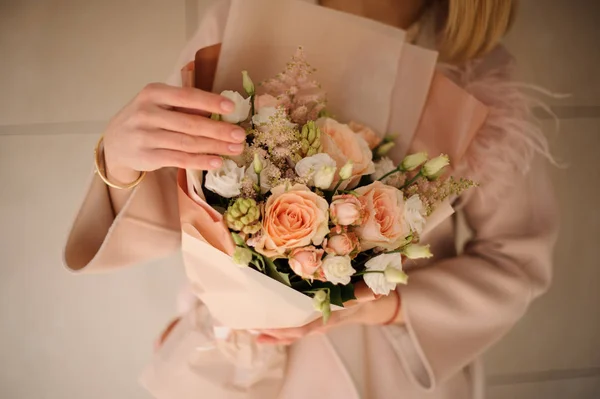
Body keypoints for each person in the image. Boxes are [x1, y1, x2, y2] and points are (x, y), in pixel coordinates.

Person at [63, 0, 558, 398]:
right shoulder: (242, 17)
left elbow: (516, 261)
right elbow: (176, 208)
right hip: (239, 366)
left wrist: (380, 306)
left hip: (388, 374)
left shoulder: (478, 72)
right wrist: (123, 155)